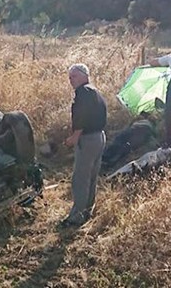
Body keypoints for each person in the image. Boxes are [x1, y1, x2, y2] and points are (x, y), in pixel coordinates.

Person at [61, 63, 107, 227]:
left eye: (73, 76)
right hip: (99, 137)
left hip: (88, 139)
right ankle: (87, 211)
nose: (70, 80)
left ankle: (76, 217)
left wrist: (74, 137)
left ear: (84, 75)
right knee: (91, 176)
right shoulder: (95, 91)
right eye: (69, 77)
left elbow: (81, 116)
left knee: (80, 178)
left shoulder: (83, 92)